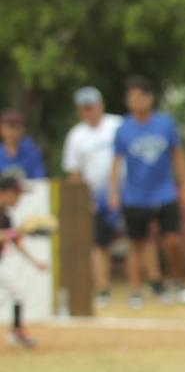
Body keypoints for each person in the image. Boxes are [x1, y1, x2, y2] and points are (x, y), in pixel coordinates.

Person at [109, 76, 185, 308]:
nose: (137, 101)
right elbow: (116, 162)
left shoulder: (165, 124)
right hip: (135, 195)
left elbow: (178, 154)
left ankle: (177, 280)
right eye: (132, 97)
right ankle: (136, 291)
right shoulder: (123, 129)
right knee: (136, 244)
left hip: (164, 192)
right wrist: (114, 192)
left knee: (173, 240)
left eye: (141, 96)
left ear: (150, 98)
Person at [61, 87, 124, 309]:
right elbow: (74, 173)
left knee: (138, 239)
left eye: (92, 106)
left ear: (101, 105)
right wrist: (84, 201)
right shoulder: (76, 135)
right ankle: (103, 289)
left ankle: (144, 287)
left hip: (127, 192)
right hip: (96, 197)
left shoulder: (118, 125)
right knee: (99, 244)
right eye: (84, 108)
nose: (89, 111)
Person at [0, 173, 47, 348]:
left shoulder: (6, 216)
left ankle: (17, 331)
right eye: (15, 193)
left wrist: (36, 262)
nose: (18, 198)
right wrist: (16, 231)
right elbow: (8, 236)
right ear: (2, 192)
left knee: (18, 292)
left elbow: (15, 241)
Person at [0, 109, 46, 180]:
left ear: (22, 129)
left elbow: (40, 180)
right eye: (8, 127)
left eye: (16, 128)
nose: (11, 132)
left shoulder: (32, 153)